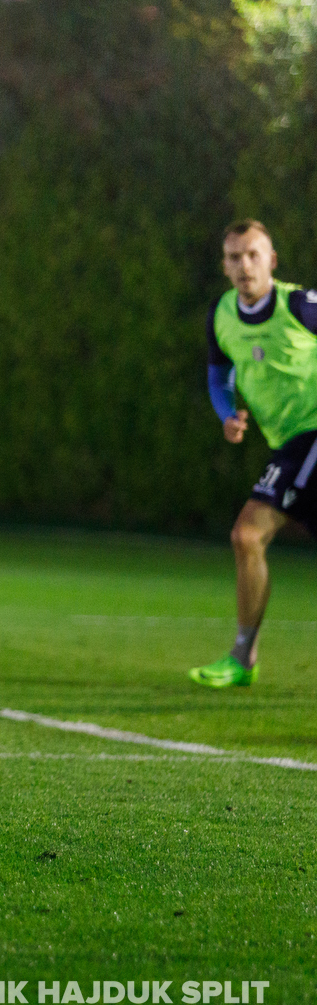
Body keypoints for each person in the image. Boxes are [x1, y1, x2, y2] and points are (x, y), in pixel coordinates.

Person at [190, 220, 317, 688]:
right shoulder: (221, 315)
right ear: (224, 266)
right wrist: (226, 413)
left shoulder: (300, 305)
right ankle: (243, 658)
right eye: (235, 257)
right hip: (288, 443)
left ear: (273, 260)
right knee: (247, 538)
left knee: (248, 533)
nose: (245, 265)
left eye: (254, 255)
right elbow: (218, 376)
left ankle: (243, 658)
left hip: (313, 433)